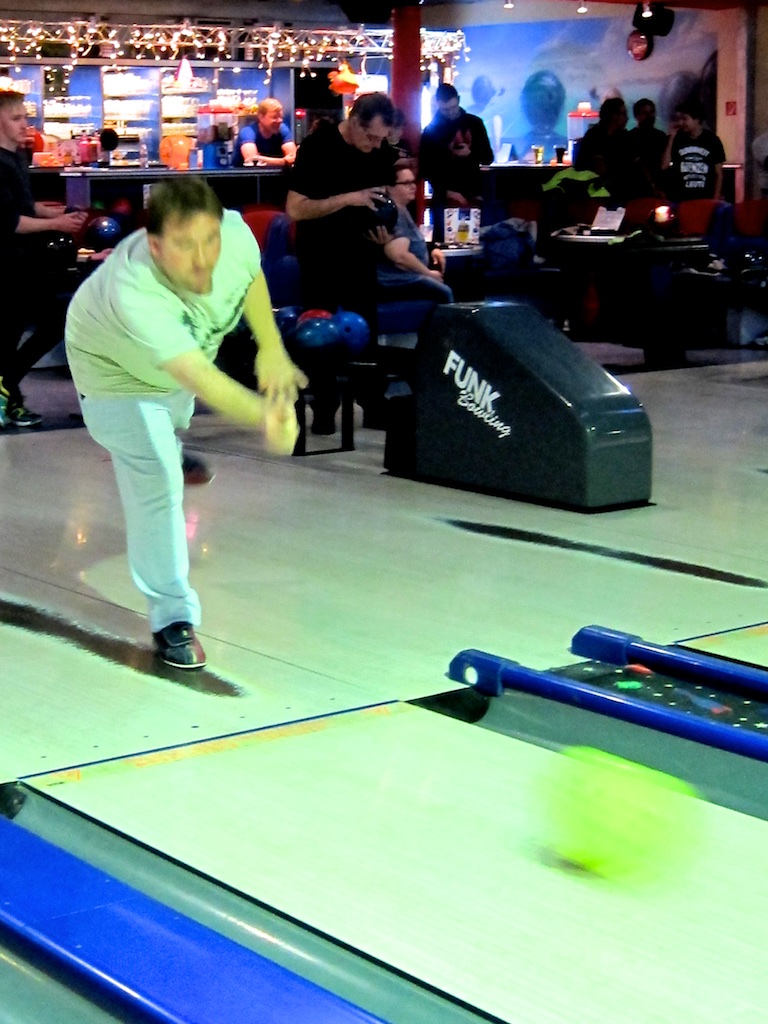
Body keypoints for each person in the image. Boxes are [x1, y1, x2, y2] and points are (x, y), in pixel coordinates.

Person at [65, 177, 306, 670]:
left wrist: (272, 347)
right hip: (113, 376)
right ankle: (172, 618)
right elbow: (198, 376)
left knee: (163, 437)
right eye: (183, 246)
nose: (202, 259)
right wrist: (268, 417)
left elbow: (248, 275)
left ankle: (168, 451)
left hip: (171, 371)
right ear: (155, 246)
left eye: (209, 241)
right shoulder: (134, 289)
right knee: (154, 475)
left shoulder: (232, 235)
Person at [285, 91, 398, 434]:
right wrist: (349, 198)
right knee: (320, 333)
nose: (376, 145)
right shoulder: (318, 147)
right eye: (371, 137)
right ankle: (323, 407)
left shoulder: (379, 153)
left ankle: (372, 402)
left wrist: (384, 234)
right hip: (320, 254)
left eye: (382, 139)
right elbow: (296, 208)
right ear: (354, 122)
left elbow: (380, 203)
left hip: (360, 253)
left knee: (366, 330)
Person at [0, 90, 88, 429]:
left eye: (25, 117)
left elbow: (25, 206)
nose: (25, 124)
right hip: (8, 263)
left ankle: (9, 391)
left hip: (24, 261)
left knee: (43, 323)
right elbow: (10, 222)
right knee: (21, 330)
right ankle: (9, 393)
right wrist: (57, 224)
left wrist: (58, 214)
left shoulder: (17, 157)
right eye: (16, 118)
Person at [419, 83, 494, 242]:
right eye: (446, 110)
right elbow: (426, 168)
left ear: (458, 100)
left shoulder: (475, 124)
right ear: (438, 104)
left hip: (472, 191)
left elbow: (488, 157)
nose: (451, 112)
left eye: (453, 107)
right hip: (444, 195)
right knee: (445, 242)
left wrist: (471, 153)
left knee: (473, 241)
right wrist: (446, 191)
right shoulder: (431, 131)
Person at [378, 163, 453, 305]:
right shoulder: (392, 213)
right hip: (396, 281)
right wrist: (428, 273)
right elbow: (399, 256)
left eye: (413, 182)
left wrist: (432, 250)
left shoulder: (403, 209)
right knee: (445, 292)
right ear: (389, 187)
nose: (413, 186)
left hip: (408, 276)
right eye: (406, 183)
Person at [662, 98, 726, 201]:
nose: (681, 123)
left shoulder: (713, 140)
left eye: (685, 119)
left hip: (705, 197)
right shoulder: (677, 139)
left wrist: (715, 198)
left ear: (697, 119)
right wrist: (672, 137)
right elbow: (664, 165)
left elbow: (719, 173)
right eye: (679, 119)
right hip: (680, 198)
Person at [574, 97, 633, 202]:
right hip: (593, 190)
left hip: (618, 190)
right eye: (623, 114)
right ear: (614, 116)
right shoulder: (594, 136)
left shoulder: (624, 136)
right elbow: (599, 168)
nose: (627, 118)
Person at [232, 98, 297, 169]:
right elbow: (252, 161)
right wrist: (284, 161)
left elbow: (293, 158)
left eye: (281, 117)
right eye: (274, 117)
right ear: (261, 117)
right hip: (246, 175)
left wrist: (262, 159)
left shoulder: (282, 129)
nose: (279, 121)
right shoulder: (248, 132)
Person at [626, 98, 668, 198]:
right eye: (645, 113)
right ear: (636, 116)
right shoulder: (629, 137)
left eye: (652, 112)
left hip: (659, 187)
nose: (650, 116)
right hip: (635, 189)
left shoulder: (661, 136)